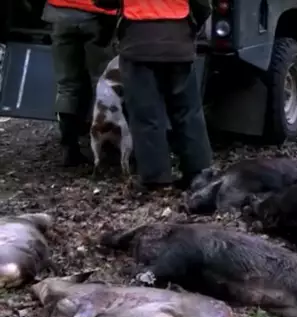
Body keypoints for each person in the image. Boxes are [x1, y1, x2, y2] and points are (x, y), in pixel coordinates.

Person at [95, 0, 213, 191]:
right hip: (178, 44)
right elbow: (203, 6)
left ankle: (156, 178)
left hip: (138, 45)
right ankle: (198, 172)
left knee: (146, 114)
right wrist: (190, 28)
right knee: (188, 111)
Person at [42, 0, 117, 166]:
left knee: (66, 86)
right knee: (101, 84)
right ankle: (104, 148)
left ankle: (69, 148)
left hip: (60, 13)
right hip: (98, 16)